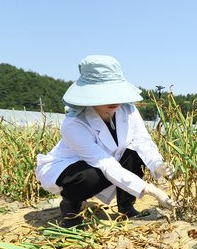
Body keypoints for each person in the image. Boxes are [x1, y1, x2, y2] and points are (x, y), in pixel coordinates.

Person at [36, 55, 175, 227]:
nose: (114, 101)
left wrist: (157, 163)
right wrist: (150, 190)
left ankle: (126, 208)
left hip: (107, 162)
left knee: (133, 154)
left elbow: (142, 141)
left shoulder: (127, 109)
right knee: (90, 177)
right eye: (105, 95)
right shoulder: (74, 123)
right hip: (72, 167)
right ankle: (71, 207)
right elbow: (105, 164)